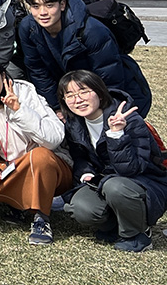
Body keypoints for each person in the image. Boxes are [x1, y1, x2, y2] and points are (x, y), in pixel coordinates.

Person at [0, 57, 72, 245]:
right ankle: (22, 204)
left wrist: (19, 110)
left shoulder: (26, 93)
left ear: (2, 74)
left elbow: (53, 139)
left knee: (40, 156)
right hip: (11, 165)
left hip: (49, 164)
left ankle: (41, 219)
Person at [58, 69, 167, 253]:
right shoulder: (74, 124)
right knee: (80, 206)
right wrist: (86, 173)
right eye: (70, 95)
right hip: (105, 182)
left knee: (115, 187)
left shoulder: (129, 120)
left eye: (84, 91)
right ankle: (115, 226)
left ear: (99, 92)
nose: (77, 100)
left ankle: (137, 234)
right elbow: (80, 157)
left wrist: (116, 134)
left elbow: (132, 169)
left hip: (146, 183)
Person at [18, 0, 151, 113]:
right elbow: (38, 71)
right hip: (73, 96)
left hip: (113, 93)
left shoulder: (92, 31)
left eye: (49, 5)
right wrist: (57, 108)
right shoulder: (29, 28)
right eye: (35, 6)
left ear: (62, 5)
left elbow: (110, 77)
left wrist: (105, 113)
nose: (42, 13)